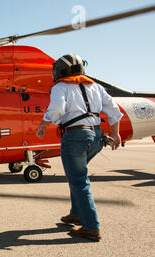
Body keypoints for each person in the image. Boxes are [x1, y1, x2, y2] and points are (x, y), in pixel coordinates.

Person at [36, 53, 123, 241]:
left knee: (78, 180)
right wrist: (115, 133)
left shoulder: (60, 86)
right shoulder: (95, 86)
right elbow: (114, 110)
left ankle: (91, 227)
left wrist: (43, 124)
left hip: (75, 136)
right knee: (77, 175)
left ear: (61, 70)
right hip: (96, 137)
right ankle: (76, 213)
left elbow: (57, 108)